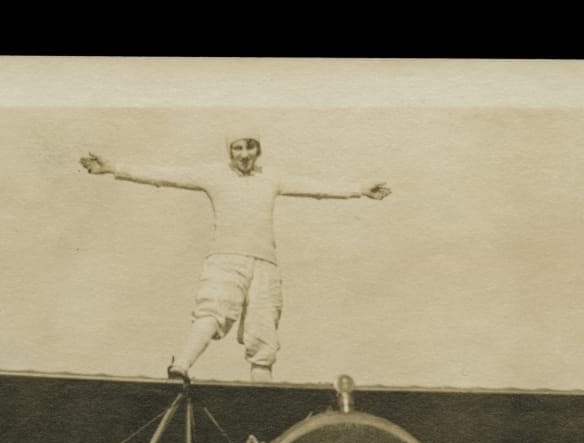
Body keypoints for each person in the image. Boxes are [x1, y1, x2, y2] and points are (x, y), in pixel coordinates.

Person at [80, 131, 391, 382]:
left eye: (251, 147)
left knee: (263, 333)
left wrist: (360, 189)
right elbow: (166, 174)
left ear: (258, 149)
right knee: (214, 310)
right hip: (226, 259)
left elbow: (314, 187)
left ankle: (262, 394)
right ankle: (181, 367)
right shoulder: (213, 175)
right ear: (229, 151)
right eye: (238, 148)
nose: (244, 154)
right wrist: (112, 167)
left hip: (265, 265)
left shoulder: (271, 177)